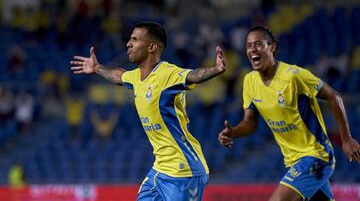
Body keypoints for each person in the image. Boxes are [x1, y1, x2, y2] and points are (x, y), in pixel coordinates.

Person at [71, 22, 226, 200]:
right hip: (160, 169)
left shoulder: (167, 74)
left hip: (184, 170)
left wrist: (216, 69)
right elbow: (118, 76)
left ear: (152, 47)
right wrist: (97, 68)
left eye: (135, 39)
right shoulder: (136, 77)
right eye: (130, 39)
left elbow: (193, 75)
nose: (128, 43)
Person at [218, 26, 360, 201]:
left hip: (316, 156)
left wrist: (346, 139)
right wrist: (234, 132)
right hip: (293, 161)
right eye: (248, 45)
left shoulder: (294, 76)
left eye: (258, 44)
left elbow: (334, 96)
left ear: (273, 47)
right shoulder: (249, 81)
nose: (252, 49)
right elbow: (250, 122)